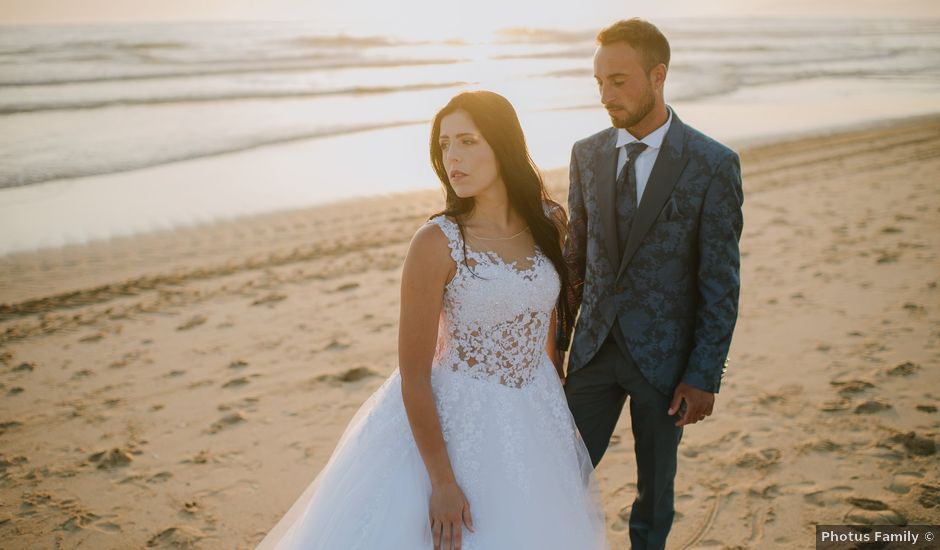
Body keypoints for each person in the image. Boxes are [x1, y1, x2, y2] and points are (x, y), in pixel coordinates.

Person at [256, 90, 608, 550]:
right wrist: (442, 482)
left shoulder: (548, 222)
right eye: (444, 145)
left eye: (467, 141)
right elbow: (415, 375)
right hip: (458, 417)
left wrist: (553, 384)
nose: (452, 158)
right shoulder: (436, 242)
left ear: (502, 145)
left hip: (535, 409)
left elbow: (544, 316)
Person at [558, 18, 744, 550]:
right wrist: (556, 346)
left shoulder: (711, 164)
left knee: (654, 492)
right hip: (593, 352)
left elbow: (720, 281)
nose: (605, 95)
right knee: (557, 470)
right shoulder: (587, 154)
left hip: (666, 363)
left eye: (618, 81)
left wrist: (704, 373)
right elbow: (576, 262)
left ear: (657, 76)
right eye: (598, 82)